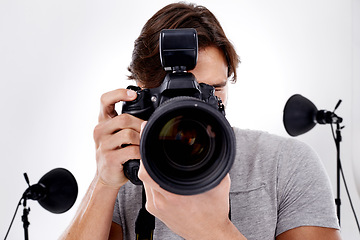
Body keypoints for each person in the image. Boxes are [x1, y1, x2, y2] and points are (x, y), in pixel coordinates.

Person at [60, 2, 342, 240]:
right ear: (140, 94)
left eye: (212, 90)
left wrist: (213, 230)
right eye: (177, 94)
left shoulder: (286, 164)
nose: (195, 106)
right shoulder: (129, 172)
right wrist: (104, 181)